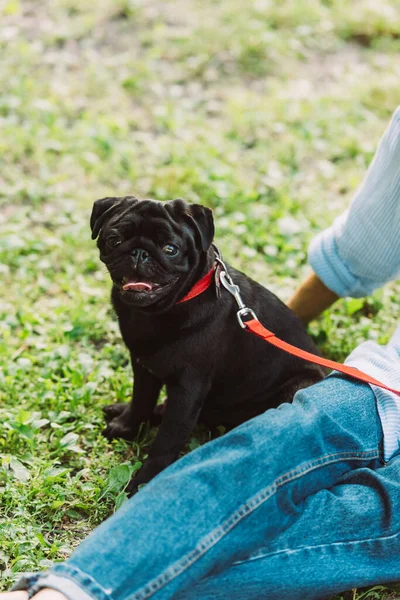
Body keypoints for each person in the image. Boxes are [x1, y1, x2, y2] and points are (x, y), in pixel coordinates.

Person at [3, 108, 400, 600]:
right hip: (325, 397)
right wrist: (137, 413)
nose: (139, 259)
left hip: (277, 391)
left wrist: (157, 460)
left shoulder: (208, 315)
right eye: (119, 243)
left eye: (166, 251)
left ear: (199, 245)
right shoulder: (142, 291)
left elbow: (189, 384)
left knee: (234, 444)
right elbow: (147, 357)